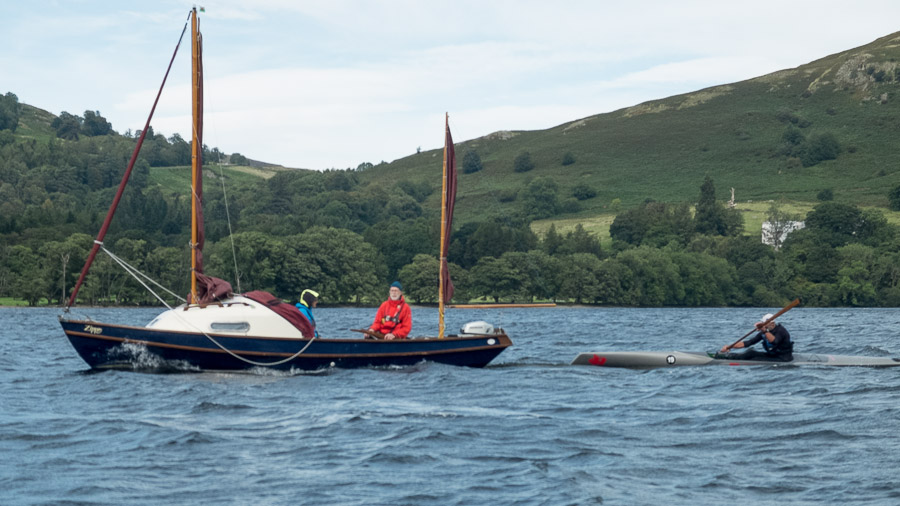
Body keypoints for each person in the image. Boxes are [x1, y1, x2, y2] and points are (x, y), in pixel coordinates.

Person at [718, 313, 793, 362]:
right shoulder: (764, 332)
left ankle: (730, 358)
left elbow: (774, 341)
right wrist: (730, 347)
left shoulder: (781, 331)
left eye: (765, 324)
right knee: (750, 353)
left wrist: (764, 331)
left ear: (772, 323)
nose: (763, 325)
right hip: (773, 355)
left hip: (783, 358)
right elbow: (749, 342)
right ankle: (726, 356)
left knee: (755, 359)